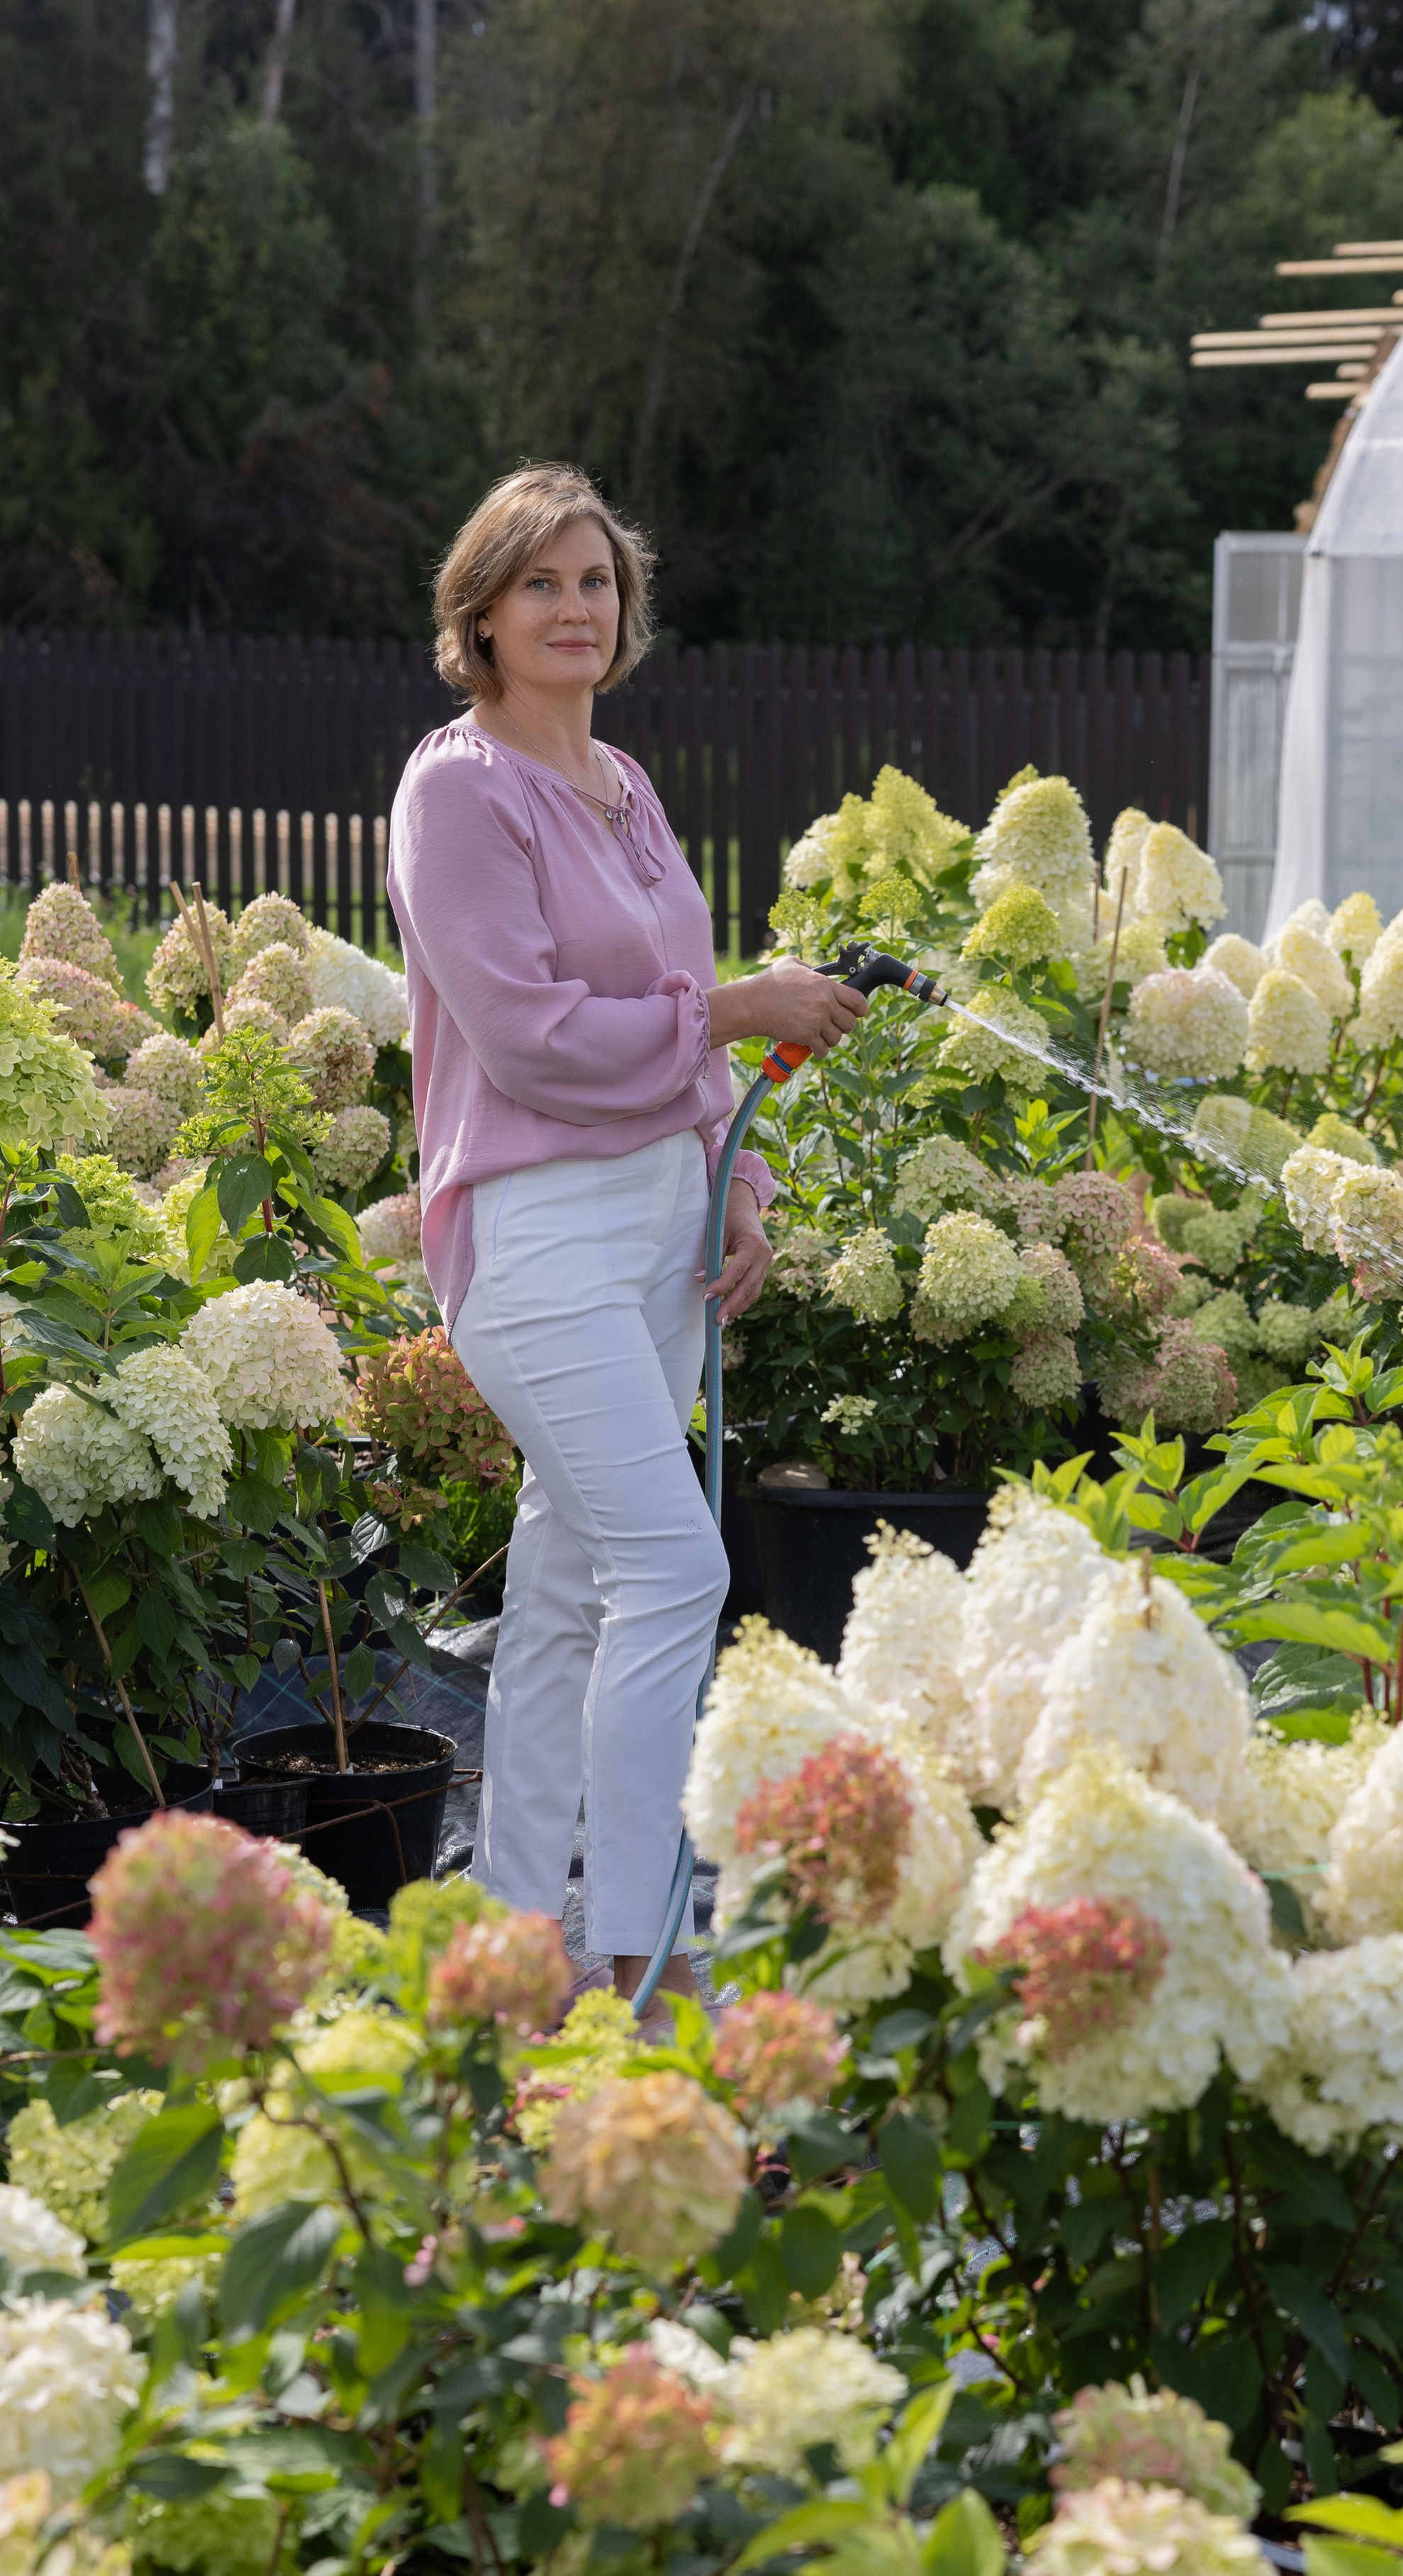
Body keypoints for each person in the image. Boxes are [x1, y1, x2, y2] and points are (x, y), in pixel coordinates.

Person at [386, 462, 865, 2022]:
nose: (576, 609)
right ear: (482, 614)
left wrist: (736, 1183)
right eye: (543, 585)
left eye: (597, 584)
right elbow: (527, 1040)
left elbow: (681, 1023)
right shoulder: (455, 790)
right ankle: (643, 1946)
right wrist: (734, 1010)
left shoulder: (627, 784)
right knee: (673, 1564)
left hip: (662, 1218)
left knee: (570, 1590)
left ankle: (517, 1941)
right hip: (533, 1236)